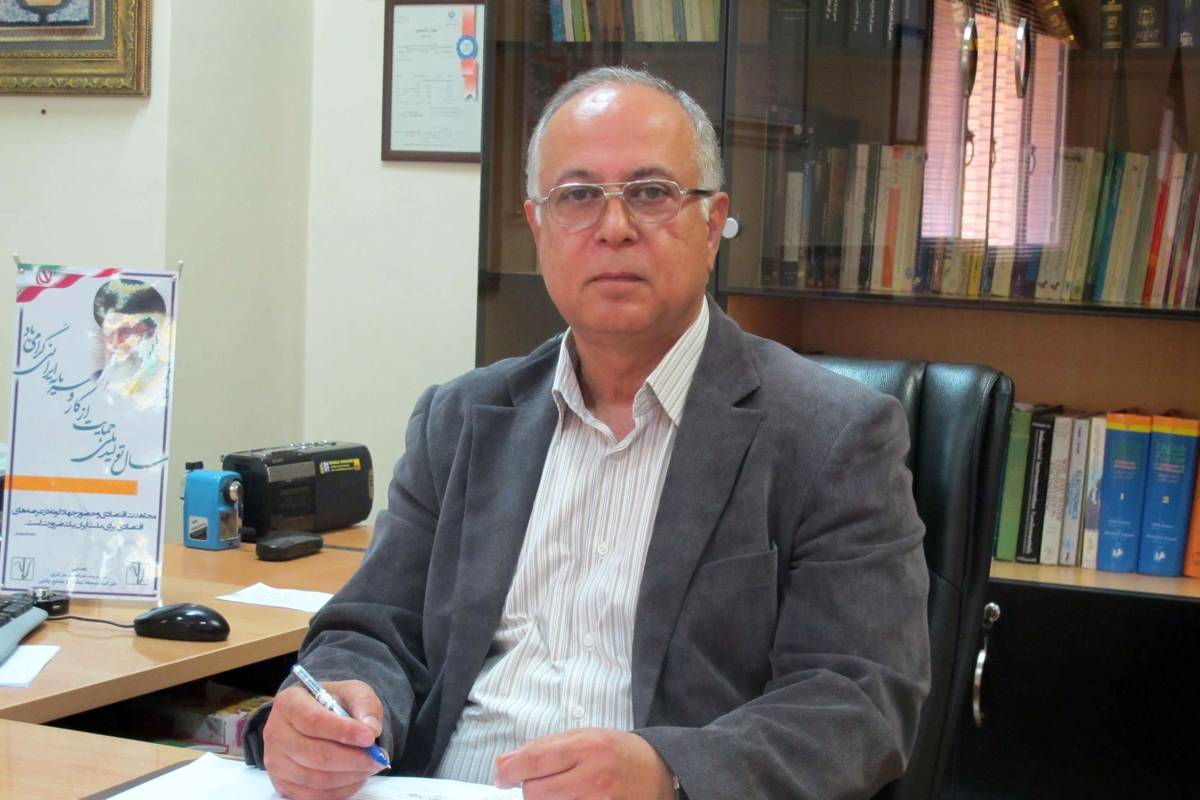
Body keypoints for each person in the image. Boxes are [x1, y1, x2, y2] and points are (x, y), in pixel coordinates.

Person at [244, 66, 930, 800]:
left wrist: (667, 771)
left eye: (651, 193)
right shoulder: (460, 418)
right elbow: (373, 627)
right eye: (577, 197)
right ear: (538, 226)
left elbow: (857, 700)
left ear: (711, 225)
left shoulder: (834, 436)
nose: (614, 227)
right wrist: (340, 703)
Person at [92, 278, 172, 410]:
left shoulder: (164, 387)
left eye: (125, 331)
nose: (115, 342)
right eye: (109, 332)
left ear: (151, 332)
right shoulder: (100, 382)